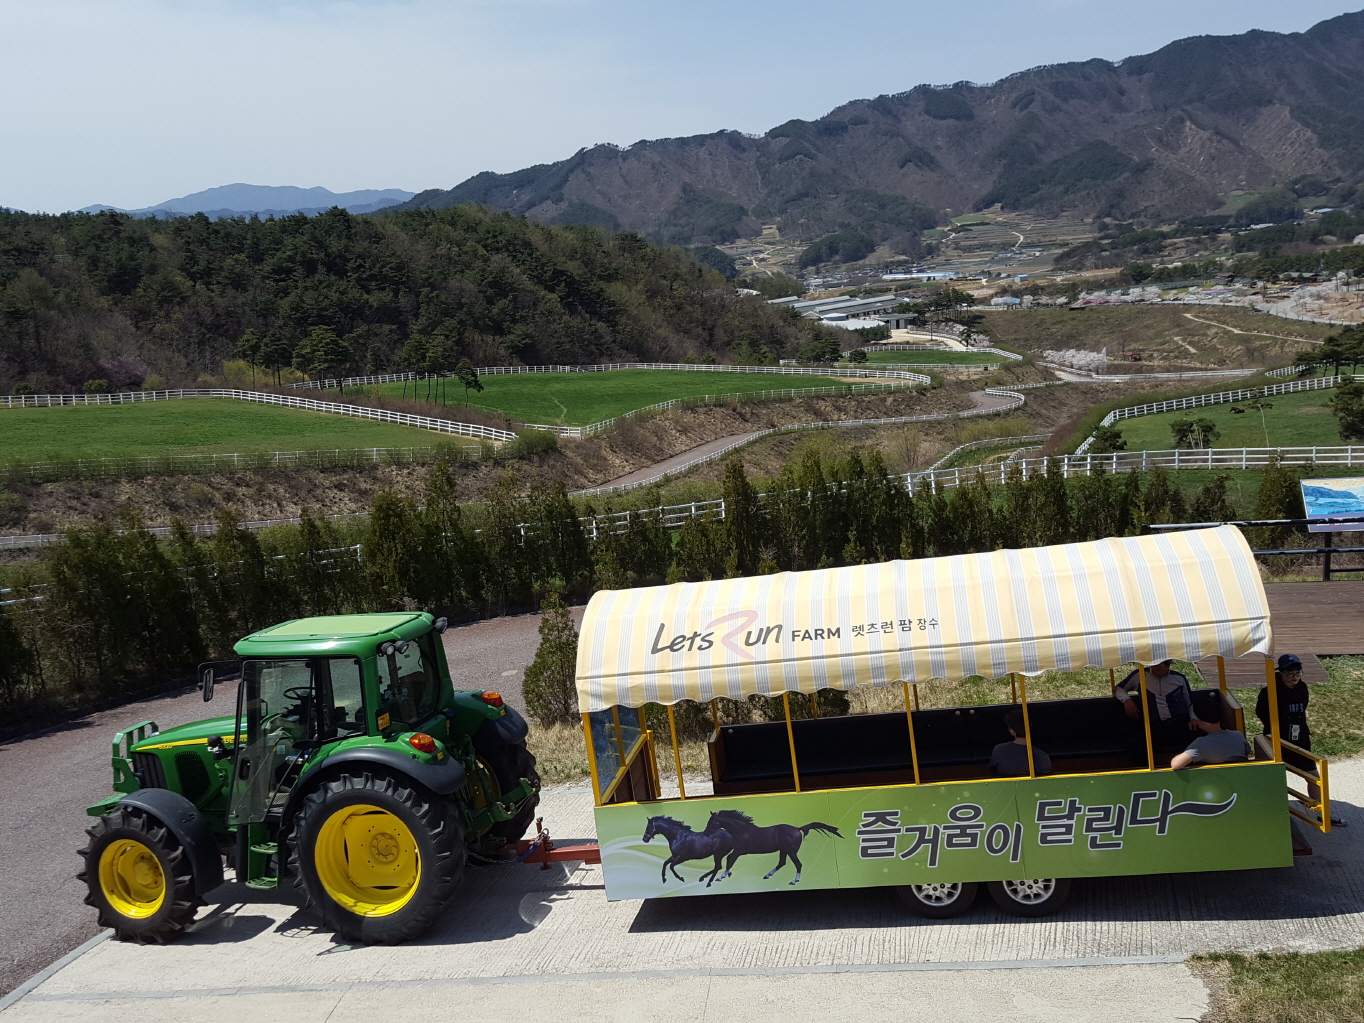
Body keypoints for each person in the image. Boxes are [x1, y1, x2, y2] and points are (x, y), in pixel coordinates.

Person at [1256, 654, 1347, 827]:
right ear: (1280, 673)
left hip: (1300, 740)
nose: (1295, 678)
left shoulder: (1302, 688)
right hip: (1276, 740)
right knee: (1273, 780)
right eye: (1290, 674)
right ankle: (1271, 816)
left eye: (1298, 673)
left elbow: (1302, 707)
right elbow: (1261, 713)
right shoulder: (1269, 692)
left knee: (1314, 778)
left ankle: (1322, 814)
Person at [1115, 658, 1194, 763]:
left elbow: (1189, 703)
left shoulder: (1179, 678)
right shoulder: (1140, 675)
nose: (1162, 666)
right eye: (1158, 663)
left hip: (1180, 723)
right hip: (1156, 727)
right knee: (1134, 744)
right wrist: (1127, 700)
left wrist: (1194, 718)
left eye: (1166, 663)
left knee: (1202, 737)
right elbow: (1119, 688)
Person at [1171, 691, 1249, 769]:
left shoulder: (1201, 743)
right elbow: (1247, 751)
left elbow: (1176, 765)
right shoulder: (1238, 735)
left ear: (1202, 723)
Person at [990, 708, 1052, 777]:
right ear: (1030, 727)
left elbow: (993, 772)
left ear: (1012, 731)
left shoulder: (998, 750)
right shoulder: (1042, 756)